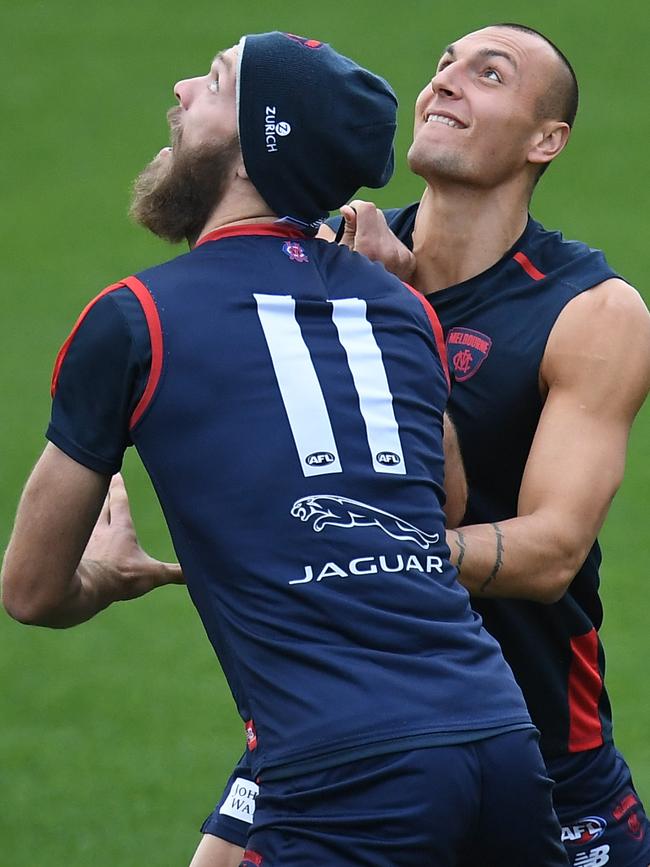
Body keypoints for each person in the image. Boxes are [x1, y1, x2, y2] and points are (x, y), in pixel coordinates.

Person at [0, 32, 569, 867]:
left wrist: (105, 576)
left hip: (346, 776)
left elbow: (30, 589)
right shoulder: (403, 311)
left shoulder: (134, 320)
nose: (184, 86)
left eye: (218, 82)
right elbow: (437, 502)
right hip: (499, 742)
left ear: (251, 153)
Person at [193, 22, 650, 867]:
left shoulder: (590, 311)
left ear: (547, 139)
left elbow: (551, 553)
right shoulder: (325, 261)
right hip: (336, 726)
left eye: (488, 73)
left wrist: (376, 552)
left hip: (544, 758)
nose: (445, 82)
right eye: (442, 65)